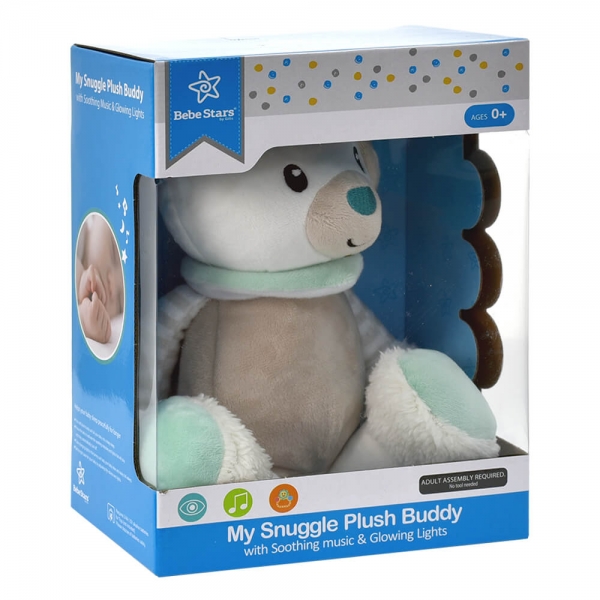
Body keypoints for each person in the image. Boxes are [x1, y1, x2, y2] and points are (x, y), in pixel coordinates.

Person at [76, 215, 124, 343]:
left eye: (120, 302)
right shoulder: (79, 232)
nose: (112, 285)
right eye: (114, 254)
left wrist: (85, 321)